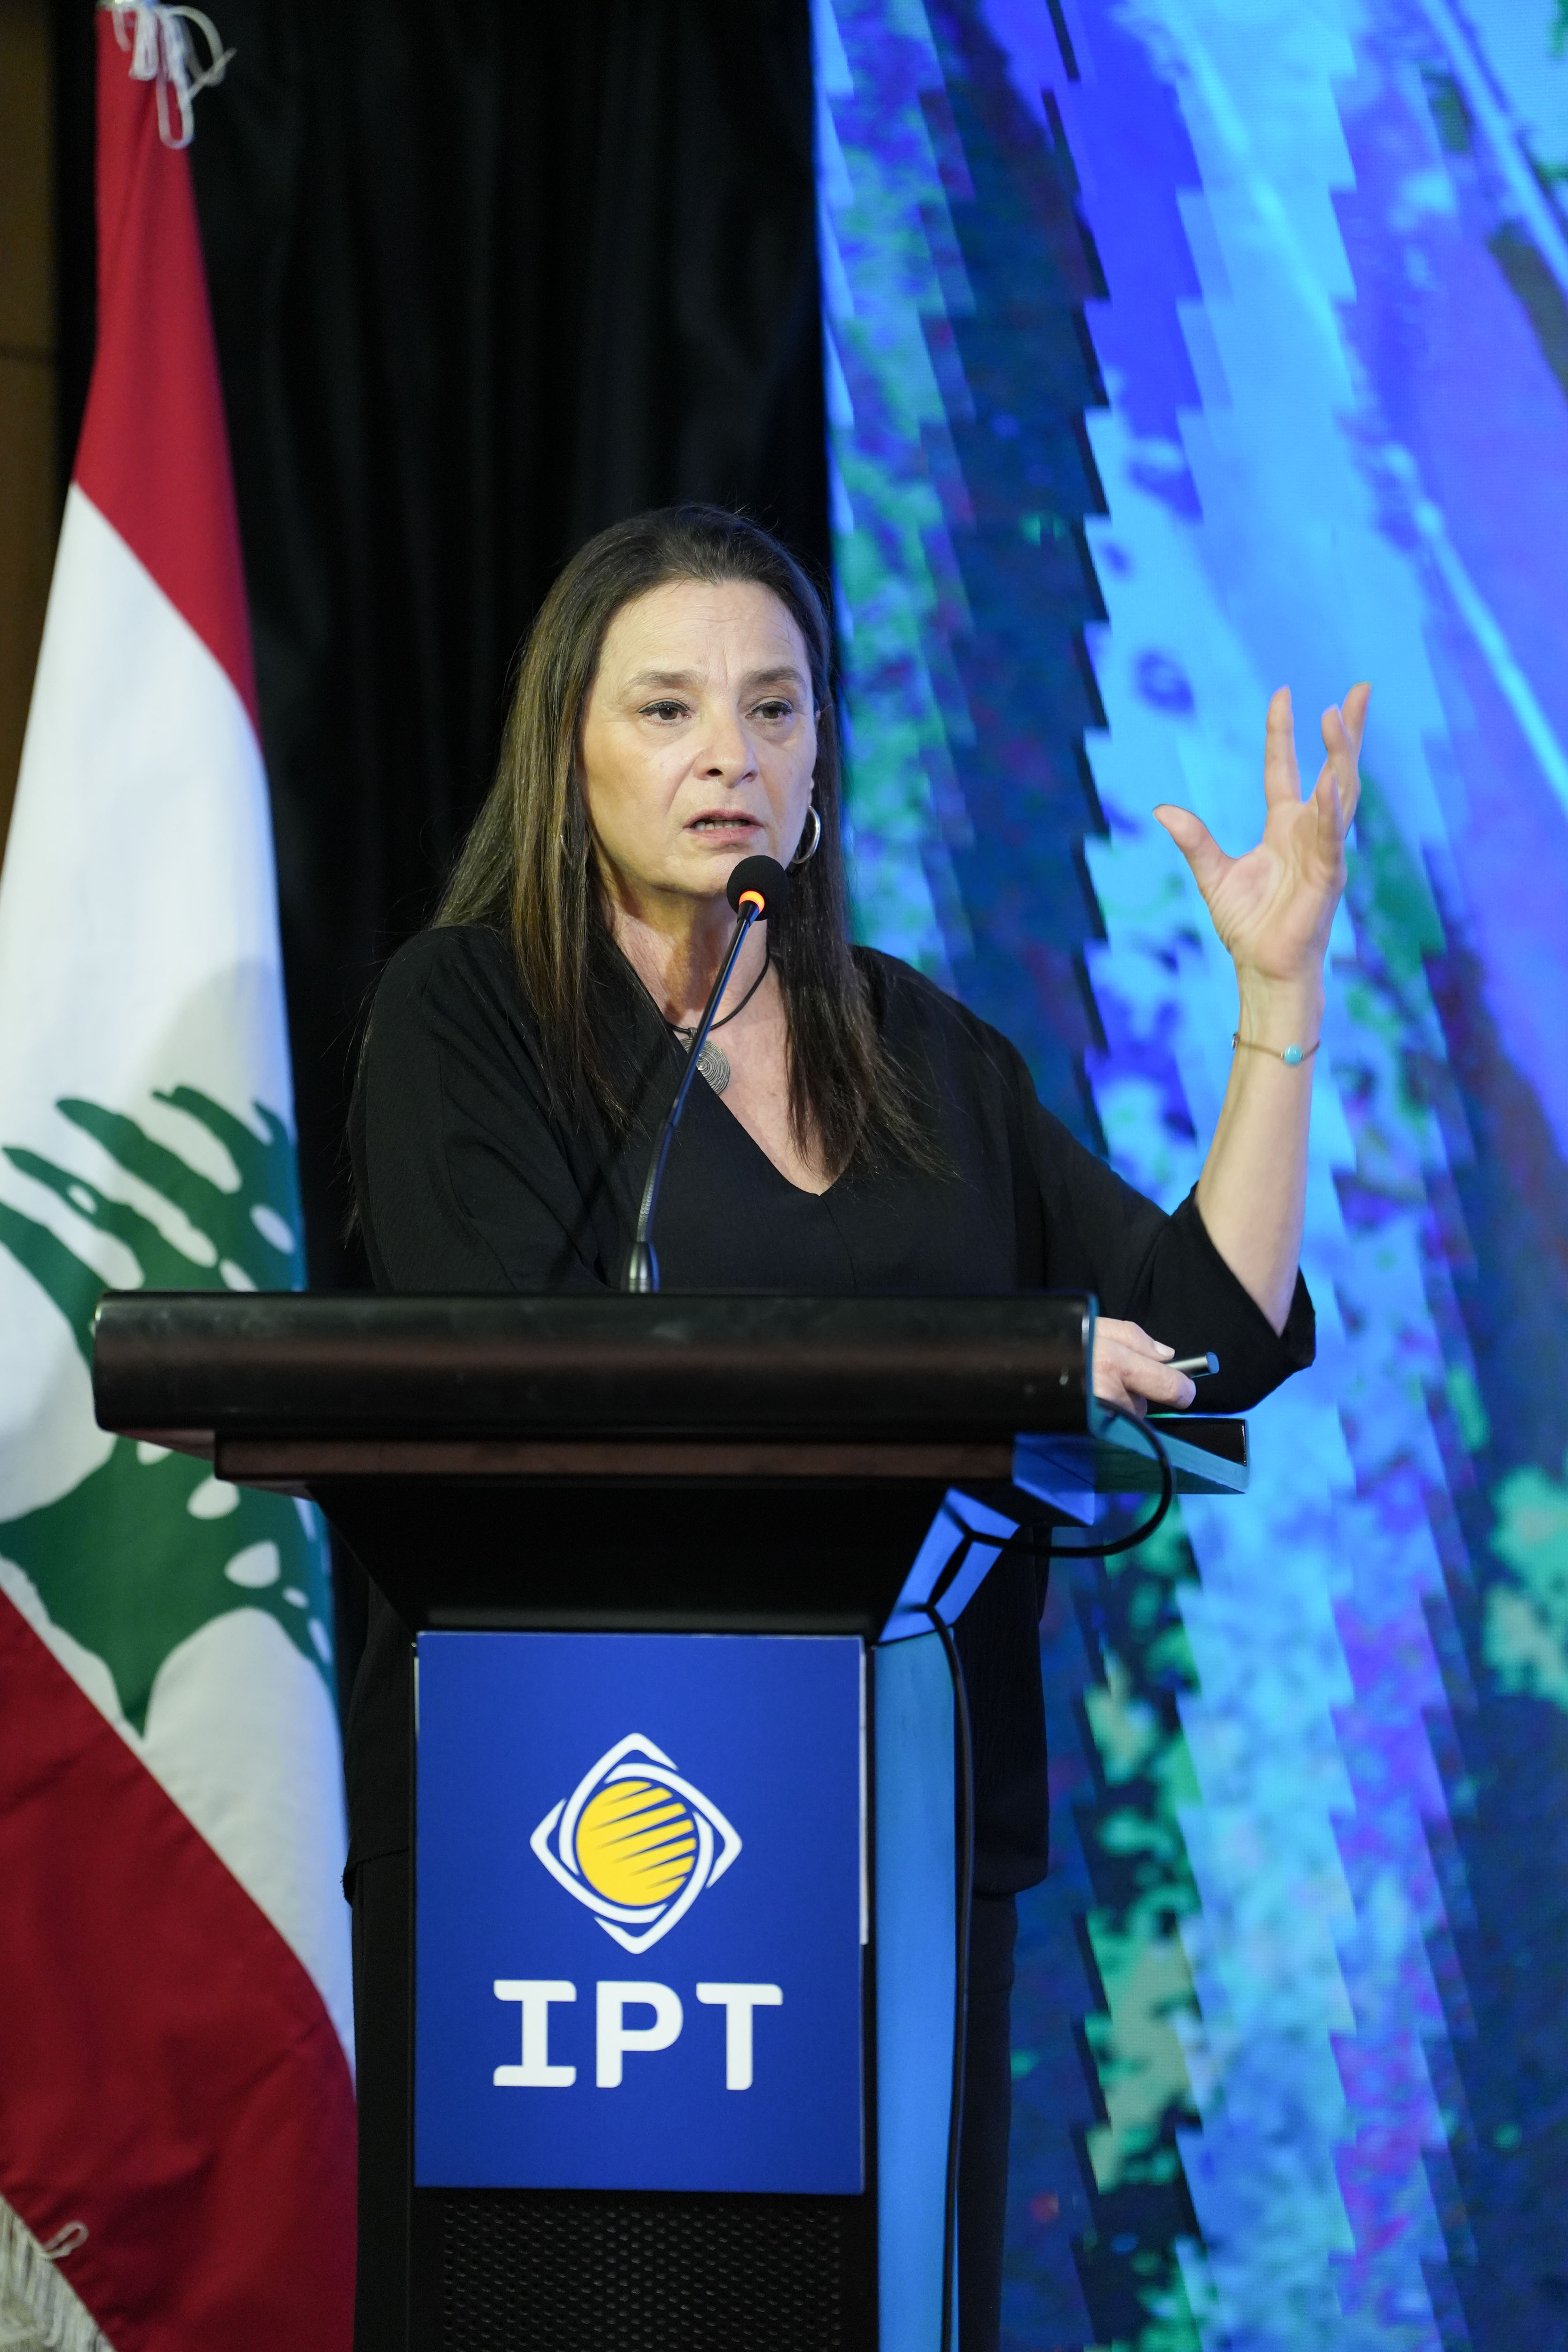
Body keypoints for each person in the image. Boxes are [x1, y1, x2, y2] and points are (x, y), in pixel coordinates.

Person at [348, 504, 1363, 2350]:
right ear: (568, 745)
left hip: (904, 1821)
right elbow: (517, 1362)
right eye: (666, 707)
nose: (729, 753)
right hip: (563, 1809)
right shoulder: (469, 1014)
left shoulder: (922, 1051)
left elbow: (1203, 1343)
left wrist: (1276, 1000)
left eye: (775, 706)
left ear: (823, 754)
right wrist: (1010, 1364)